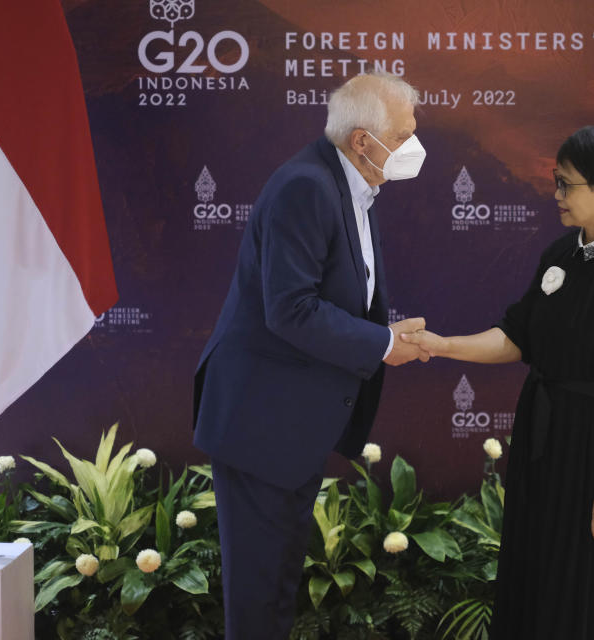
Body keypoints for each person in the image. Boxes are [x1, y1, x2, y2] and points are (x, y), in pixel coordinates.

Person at [402, 126, 594, 639]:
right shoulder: (560, 255)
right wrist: (442, 345)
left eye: (566, 185)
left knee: (589, 586)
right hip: (544, 446)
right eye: (556, 181)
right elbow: (517, 337)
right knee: (540, 576)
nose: (556, 195)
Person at [191, 72, 430, 639]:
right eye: (402, 134)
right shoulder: (307, 186)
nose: (414, 147)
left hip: (292, 426)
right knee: (257, 598)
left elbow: (342, 292)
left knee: (276, 587)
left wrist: (387, 331)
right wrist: (385, 344)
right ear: (362, 141)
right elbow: (291, 309)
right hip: (260, 423)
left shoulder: (356, 184)